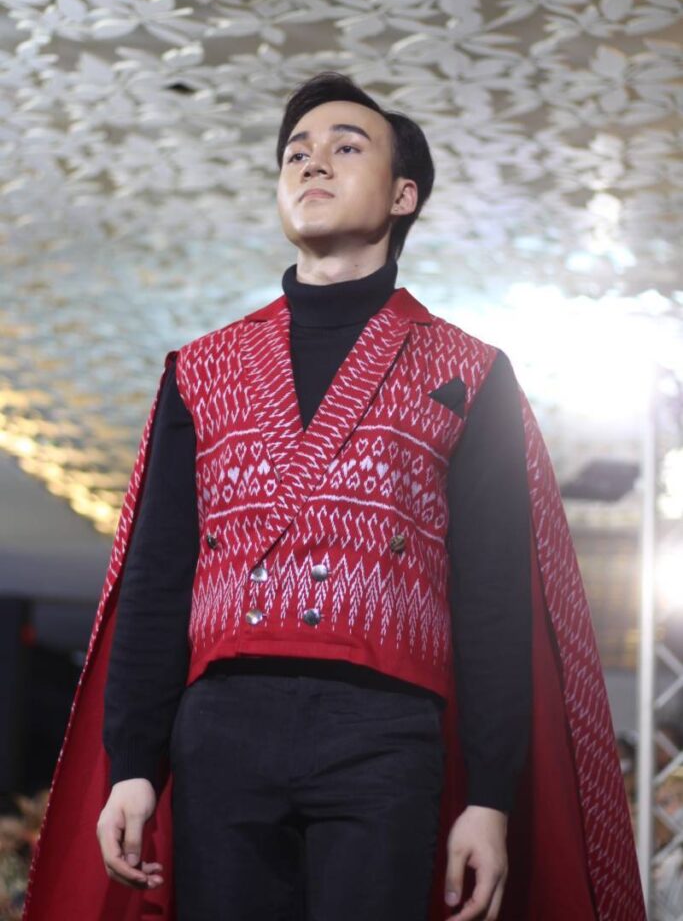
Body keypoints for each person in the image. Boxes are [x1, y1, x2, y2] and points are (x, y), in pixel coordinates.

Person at [21, 72, 645, 921]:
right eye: (295, 153)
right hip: (221, 725)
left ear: (402, 194)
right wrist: (132, 764)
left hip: (384, 728)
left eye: (346, 147)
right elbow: (156, 578)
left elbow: (494, 598)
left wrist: (488, 798)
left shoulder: (468, 371)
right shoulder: (199, 368)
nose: (312, 163)